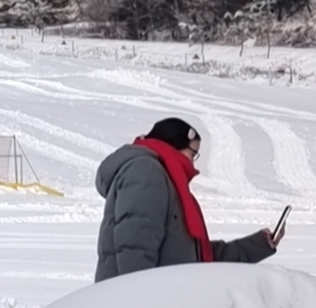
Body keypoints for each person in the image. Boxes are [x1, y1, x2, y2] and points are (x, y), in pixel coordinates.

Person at [95, 118, 281, 280]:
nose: (193, 163)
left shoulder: (166, 181)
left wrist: (259, 245)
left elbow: (198, 257)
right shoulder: (145, 172)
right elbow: (134, 251)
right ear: (173, 145)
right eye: (192, 154)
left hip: (161, 304)